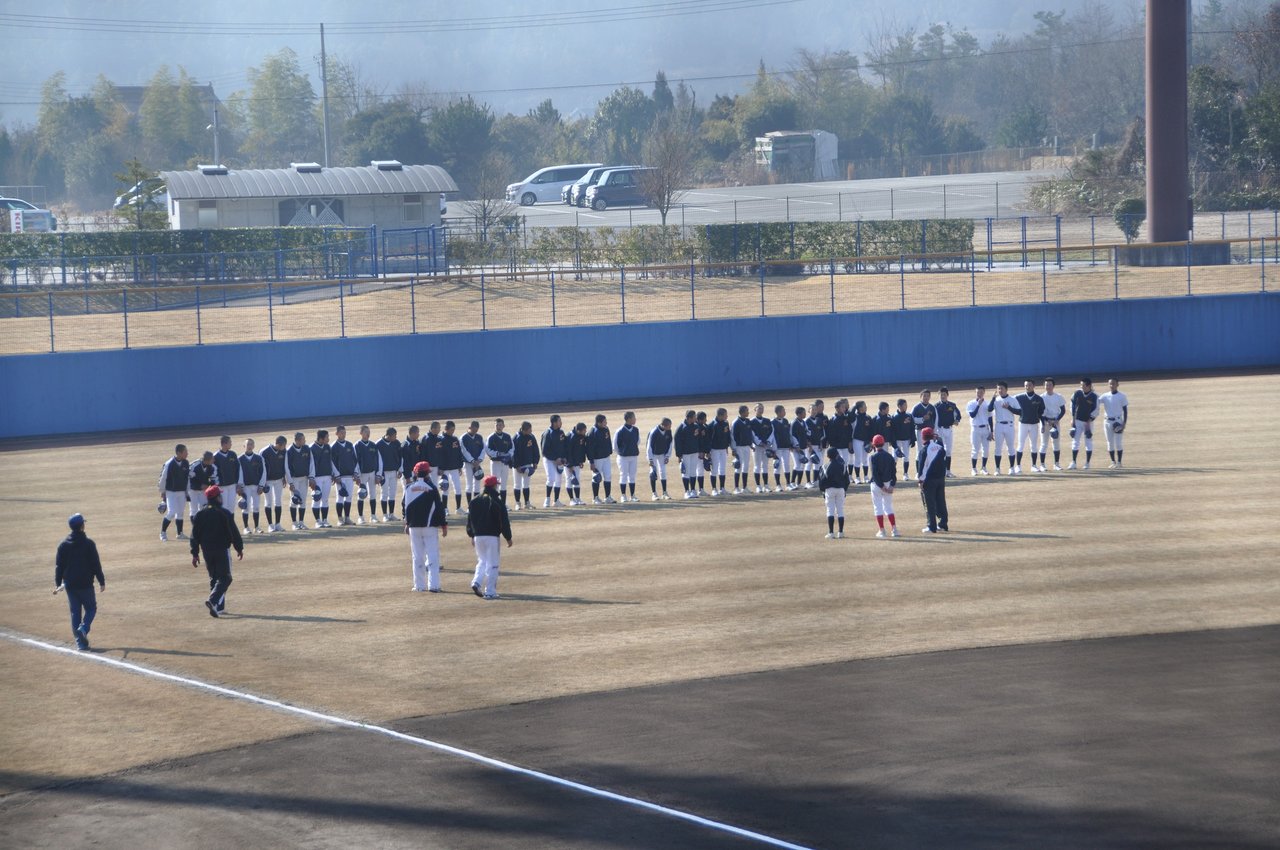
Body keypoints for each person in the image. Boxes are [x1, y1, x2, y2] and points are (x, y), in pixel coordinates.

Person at [190, 485, 243, 618]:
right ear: (217, 498)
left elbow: (194, 536)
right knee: (226, 578)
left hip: (207, 551)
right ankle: (213, 601)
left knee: (214, 578)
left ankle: (218, 608)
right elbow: (233, 532)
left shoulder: (200, 514)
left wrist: (195, 554)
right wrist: (239, 547)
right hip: (222, 550)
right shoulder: (224, 513)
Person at [55, 513, 105, 651]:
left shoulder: (63, 545)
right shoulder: (89, 544)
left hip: (70, 585)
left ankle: (81, 643)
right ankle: (83, 628)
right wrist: (101, 581)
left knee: (75, 612)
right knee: (91, 608)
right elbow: (96, 564)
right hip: (85, 584)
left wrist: (58, 583)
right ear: (82, 526)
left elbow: (59, 566)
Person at [403, 460, 448, 592]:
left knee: (417, 557)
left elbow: (405, 507)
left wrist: (407, 523)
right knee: (432, 555)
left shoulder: (409, 488)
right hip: (429, 527)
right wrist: (444, 525)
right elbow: (439, 508)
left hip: (413, 527)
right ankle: (434, 585)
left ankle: (419, 586)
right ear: (428, 473)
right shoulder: (432, 488)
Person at [467, 476, 512, 600]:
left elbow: (470, 520)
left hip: (478, 536)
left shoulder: (474, 500)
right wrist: (508, 537)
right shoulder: (496, 501)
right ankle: (490, 591)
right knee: (493, 564)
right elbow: (504, 521)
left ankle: (476, 582)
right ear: (494, 486)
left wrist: (471, 535)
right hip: (492, 537)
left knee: (482, 561)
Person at [916, 427, 949, 533]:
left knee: (929, 503)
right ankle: (943, 524)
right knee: (941, 501)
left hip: (929, 480)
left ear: (923, 437)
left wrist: (920, 481)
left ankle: (931, 526)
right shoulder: (940, 448)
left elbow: (921, 468)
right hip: (940, 479)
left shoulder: (924, 450)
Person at [868, 435, 900, 539]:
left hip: (877, 485)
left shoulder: (873, 457)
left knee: (878, 508)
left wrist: (881, 486)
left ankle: (882, 530)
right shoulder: (889, 456)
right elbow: (894, 473)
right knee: (888, 507)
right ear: (883, 443)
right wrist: (891, 485)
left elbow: (875, 474)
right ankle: (894, 529)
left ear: (874, 444)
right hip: (888, 483)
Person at [1011, 380, 1046, 474]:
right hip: (1023, 424)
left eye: (1029, 385)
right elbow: (1010, 401)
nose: (1027, 387)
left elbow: (1041, 413)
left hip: (1034, 424)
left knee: (1033, 445)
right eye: (1026, 385)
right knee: (1020, 445)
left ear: (1034, 386)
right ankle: (1018, 466)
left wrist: (1043, 424)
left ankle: (1034, 466)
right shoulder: (1019, 397)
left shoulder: (1039, 399)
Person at [158, 444, 190, 542]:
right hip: (171, 492)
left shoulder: (186, 463)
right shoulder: (169, 464)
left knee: (180, 513)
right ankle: (162, 533)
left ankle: (179, 533)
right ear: (179, 453)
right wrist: (162, 491)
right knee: (171, 512)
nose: (187, 453)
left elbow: (187, 478)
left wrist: (187, 492)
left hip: (181, 492)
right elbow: (163, 478)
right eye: (185, 452)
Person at [818, 447, 851, 539]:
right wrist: (844, 489)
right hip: (840, 489)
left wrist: (823, 490)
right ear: (837, 455)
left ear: (828, 456)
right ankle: (840, 532)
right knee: (840, 510)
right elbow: (847, 481)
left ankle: (831, 532)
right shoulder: (843, 466)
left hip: (829, 490)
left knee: (830, 510)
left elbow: (821, 481)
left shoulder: (824, 466)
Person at [237, 438, 266, 534]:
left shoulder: (259, 458)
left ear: (254, 446)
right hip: (245, 487)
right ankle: (246, 528)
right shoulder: (239, 459)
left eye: (251, 444)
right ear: (244, 446)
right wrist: (240, 486)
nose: (249, 446)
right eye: (247, 444)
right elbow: (238, 473)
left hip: (256, 487)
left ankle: (256, 527)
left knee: (256, 507)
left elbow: (263, 472)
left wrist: (261, 485)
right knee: (245, 507)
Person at [331, 425, 359, 526]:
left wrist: (355, 473)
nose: (343, 434)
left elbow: (355, 460)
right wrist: (336, 475)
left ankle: (347, 518)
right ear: (337, 434)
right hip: (340, 477)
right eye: (341, 433)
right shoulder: (334, 446)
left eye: (344, 432)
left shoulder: (350, 445)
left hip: (349, 476)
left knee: (349, 497)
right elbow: (332, 462)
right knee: (340, 497)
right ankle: (340, 519)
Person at [1069, 378, 1100, 470]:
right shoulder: (1077, 393)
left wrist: (1089, 421)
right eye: (1081, 385)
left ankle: (1087, 463)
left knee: (1088, 441)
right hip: (1077, 421)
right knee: (1075, 441)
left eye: (1083, 385)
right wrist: (1073, 419)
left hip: (1088, 422)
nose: (1081, 387)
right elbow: (1072, 406)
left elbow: (1096, 411)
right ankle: (1073, 462)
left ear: (1089, 386)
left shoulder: (1094, 396)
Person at [1099, 378, 1130, 468]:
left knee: (1118, 442)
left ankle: (1119, 462)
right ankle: (1113, 462)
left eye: (1113, 384)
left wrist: (1124, 423)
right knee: (1109, 442)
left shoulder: (1122, 396)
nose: (1111, 386)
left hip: (1118, 421)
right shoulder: (1105, 396)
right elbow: (1096, 402)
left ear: (1117, 385)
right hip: (1107, 421)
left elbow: (1125, 410)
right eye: (1110, 384)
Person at [284, 432, 313, 529]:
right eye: (303, 439)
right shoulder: (289, 451)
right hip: (294, 479)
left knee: (303, 501)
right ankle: (294, 523)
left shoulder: (307, 448)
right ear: (297, 440)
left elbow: (311, 463)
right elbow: (287, 468)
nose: (305, 441)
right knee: (294, 500)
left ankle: (301, 522)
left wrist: (311, 477)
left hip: (304, 478)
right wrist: (290, 482)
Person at [436, 421, 465, 515]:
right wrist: (440, 467)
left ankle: (458, 508)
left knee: (458, 487)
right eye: (451, 430)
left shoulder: (455, 439)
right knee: (445, 488)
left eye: (454, 429)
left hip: (455, 467)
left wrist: (460, 466)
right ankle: (445, 508)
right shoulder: (440, 440)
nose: (453, 431)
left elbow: (459, 453)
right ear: (446, 429)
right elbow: (439, 455)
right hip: (445, 469)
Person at [353, 425, 381, 524]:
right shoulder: (357, 445)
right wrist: (357, 475)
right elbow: (355, 461)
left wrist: (378, 474)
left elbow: (378, 460)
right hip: (362, 474)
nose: (368, 434)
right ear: (361, 433)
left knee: (373, 494)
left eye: (369, 432)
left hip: (372, 473)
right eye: (365, 432)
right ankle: (361, 517)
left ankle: (373, 516)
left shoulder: (373, 445)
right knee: (361, 495)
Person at [540, 415, 570, 507]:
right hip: (549, 460)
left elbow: (564, 446)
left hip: (559, 460)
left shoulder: (561, 432)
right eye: (559, 421)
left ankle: (556, 500)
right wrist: (555, 458)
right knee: (551, 478)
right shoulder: (547, 433)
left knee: (558, 480)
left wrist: (564, 457)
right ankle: (547, 499)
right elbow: (544, 451)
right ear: (554, 423)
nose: (561, 422)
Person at [309, 429, 336, 527]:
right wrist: (311, 478)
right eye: (327, 437)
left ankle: (324, 520)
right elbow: (310, 465)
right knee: (316, 499)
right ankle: (317, 521)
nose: (328, 439)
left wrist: (334, 474)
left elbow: (330, 461)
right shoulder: (312, 448)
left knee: (325, 500)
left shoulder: (328, 447)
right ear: (321, 438)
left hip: (327, 477)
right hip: (317, 478)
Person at [511, 421, 541, 511]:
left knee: (526, 484)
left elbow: (535, 450)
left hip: (528, 464)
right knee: (517, 484)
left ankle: (527, 503)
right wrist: (516, 466)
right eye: (530, 429)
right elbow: (513, 453)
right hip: (518, 466)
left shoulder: (531, 437)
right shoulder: (516, 438)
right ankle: (517, 503)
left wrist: (535, 462)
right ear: (525, 429)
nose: (531, 430)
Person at [1039, 379, 1068, 471]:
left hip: (1055, 422)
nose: (1048, 387)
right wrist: (1046, 420)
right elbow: (1039, 412)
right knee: (1044, 444)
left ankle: (1056, 464)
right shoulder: (1041, 397)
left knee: (1056, 443)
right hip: (1045, 422)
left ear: (1053, 386)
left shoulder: (1058, 396)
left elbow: (1063, 410)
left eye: (1050, 385)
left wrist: (1056, 420)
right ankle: (1042, 465)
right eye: (1046, 385)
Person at [261, 436, 289, 532]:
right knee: (268, 502)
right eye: (284, 445)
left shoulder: (284, 451)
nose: (285, 447)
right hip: (268, 481)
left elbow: (284, 466)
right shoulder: (264, 452)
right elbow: (262, 469)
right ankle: (270, 525)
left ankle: (277, 524)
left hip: (279, 480)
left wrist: (284, 477)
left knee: (278, 501)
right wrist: (262, 483)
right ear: (279, 444)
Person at [374, 427, 402, 521]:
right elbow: (376, 460)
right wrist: (378, 474)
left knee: (392, 493)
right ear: (389, 436)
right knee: (384, 493)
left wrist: (400, 469)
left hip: (394, 472)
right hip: (384, 473)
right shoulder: (379, 444)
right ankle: (385, 515)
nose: (396, 437)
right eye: (394, 435)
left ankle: (391, 514)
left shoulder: (396, 443)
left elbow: (400, 456)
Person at [990, 382, 1018, 475]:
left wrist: (1009, 407)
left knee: (1010, 447)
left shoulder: (1012, 399)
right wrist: (993, 398)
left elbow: (1019, 411)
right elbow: (989, 409)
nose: (1000, 390)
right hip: (999, 425)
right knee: (998, 448)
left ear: (1006, 389)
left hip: (1009, 425)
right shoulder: (996, 400)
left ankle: (1011, 468)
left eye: (1001, 388)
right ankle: (997, 469)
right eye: (998, 388)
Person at [586, 414, 615, 504]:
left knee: (608, 476)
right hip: (597, 459)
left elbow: (608, 441)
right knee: (596, 477)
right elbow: (589, 449)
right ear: (599, 423)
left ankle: (608, 497)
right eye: (604, 421)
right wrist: (591, 462)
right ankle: (595, 498)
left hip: (606, 457)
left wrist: (609, 451)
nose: (606, 423)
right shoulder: (592, 432)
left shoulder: (606, 429)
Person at [485, 419, 514, 504]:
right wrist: (498, 454)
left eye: (500, 425)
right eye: (497, 425)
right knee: (495, 483)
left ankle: (503, 504)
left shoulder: (507, 436)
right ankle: (495, 503)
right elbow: (488, 450)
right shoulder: (491, 437)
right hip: (495, 463)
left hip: (505, 463)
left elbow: (512, 448)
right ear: (494, 426)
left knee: (504, 484)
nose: (498, 427)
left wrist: (508, 455)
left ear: (503, 426)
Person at [934, 388, 962, 478]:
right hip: (940, 430)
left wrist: (957, 420)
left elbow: (958, 415)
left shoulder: (952, 405)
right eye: (941, 394)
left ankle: (948, 471)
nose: (943, 396)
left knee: (948, 451)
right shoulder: (936, 406)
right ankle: (940, 471)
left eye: (944, 394)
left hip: (949, 429)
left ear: (947, 395)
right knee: (940, 450)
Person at [675, 409, 702, 499]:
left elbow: (698, 439)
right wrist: (679, 455)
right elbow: (677, 442)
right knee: (686, 472)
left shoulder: (696, 426)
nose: (695, 418)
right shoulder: (681, 427)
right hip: (685, 453)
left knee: (693, 471)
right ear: (689, 418)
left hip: (694, 452)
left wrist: (699, 450)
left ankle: (693, 490)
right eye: (694, 417)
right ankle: (687, 491)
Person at [615, 411, 641, 502]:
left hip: (633, 456)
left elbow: (638, 441)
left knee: (632, 476)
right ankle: (623, 495)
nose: (635, 419)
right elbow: (615, 445)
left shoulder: (636, 430)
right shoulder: (620, 431)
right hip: (623, 457)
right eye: (634, 417)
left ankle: (632, 495)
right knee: (623, 475)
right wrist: (622, 452)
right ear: (629, 419)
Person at [750, 402, 776, 493]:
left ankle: (766, 485)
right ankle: (758, 486)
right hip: (757, 447)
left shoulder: (767, 421)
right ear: (755, 410)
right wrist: (759, 442)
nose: (761, 410)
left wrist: (768, 442)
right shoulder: (752, 422)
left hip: (766, 446)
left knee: (765, 466)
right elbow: (752, 434)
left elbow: (772, 432)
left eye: (762, 408)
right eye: (759, 408)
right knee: (757, 466)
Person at [212, 436, 240, 519]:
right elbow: (213, 472)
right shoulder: (216, 456)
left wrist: (238, 483)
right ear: (224, 444)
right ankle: (224, 525)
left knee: (231, 507)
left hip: (232, 485)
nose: (231, 444)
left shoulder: (233, 454)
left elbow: (237, 469)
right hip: (222, 486)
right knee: (224, 507)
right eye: (230, 442)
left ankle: (231, 525)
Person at [967, 386, 993, 475]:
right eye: (978, 392)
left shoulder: (987, 404)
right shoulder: (971, 403)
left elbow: (990, 418)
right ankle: (974, 468)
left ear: (984, 393)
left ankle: (983, 468)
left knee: (986, 449)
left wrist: (991, 431)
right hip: (975, 428)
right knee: (975, 449)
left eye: (981, 392)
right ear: (975, 393)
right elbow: (972, 415)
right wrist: (978, 405)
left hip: (985, 428)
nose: (979, 394)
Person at [460, 421, 486, 509]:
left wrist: (479, 460)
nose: (475, 431)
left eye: (476, 429)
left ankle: (476, 506)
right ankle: (469, 506)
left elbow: (483, 449)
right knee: (469, 484)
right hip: (468, 464)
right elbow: (464, 451)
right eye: (473, 429)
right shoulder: (463, 438)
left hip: (477, 463)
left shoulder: (479, 437)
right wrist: (472, 461)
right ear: (469, 427)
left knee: (477, 484)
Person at [187, 451, 218, 525]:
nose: (214, 460)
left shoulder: (213, 467)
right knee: (193, 509)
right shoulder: (194, 466)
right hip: (192, 490)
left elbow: (213, 480)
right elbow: (188, 479)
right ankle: (195, 528)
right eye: (212, 459)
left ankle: (203, 527)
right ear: (207, 460)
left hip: (203, 490)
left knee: (204, 508)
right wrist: (199, 486)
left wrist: (209, 487)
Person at [647, 417, 674, 500]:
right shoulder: (654, 432)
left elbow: (670, 443)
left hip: (662, 454)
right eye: (669, 426)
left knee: (663, 472)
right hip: (653, 455)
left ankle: (664, 493)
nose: (670, 427)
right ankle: (654, 493)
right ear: (663, 425)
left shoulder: (668, 431)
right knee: (653, 473)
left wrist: (667, 456)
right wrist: (650, 459)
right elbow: (649, 447)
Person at [771, 404, 796, 491]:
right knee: (777, 466)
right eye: (783, 410)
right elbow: (772, 436)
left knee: (786, 465)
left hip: (786, 447)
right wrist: (773, 448)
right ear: (778, 412)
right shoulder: (772, 422)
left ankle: (788, 484)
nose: (785, 412)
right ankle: (778, 485)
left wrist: (791, 444)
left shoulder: (785, 421)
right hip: (777, 448)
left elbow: (789, 434)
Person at [730, 405, 754, 494]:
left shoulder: (748, 421)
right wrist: (733, 449)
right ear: (742, 412)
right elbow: (732, 437)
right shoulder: (736, 422)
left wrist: (751, 444)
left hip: (746, 446)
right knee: (738, 466)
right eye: (747, 411)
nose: (748, 412)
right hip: (738, 447)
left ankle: (744, 487)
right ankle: (736, 488)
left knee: (746, 466)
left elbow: (750, 434)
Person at [708, 408, 732, 496]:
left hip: (723, 449)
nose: (727, 416)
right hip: (714, 450)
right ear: (720, 415)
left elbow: (728, 435)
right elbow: (708, 439)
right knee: (714, 469)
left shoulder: (726, 423)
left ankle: (722, 488)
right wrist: (708, 451)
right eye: (725, 415)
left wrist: (727, 446)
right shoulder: (712, 425)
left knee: (722, 469)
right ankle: (714, 489)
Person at [565, 422, 590, 505]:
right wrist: (570, 465)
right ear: (579, 431)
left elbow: (581, 449)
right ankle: (571, 500)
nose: (585, 432)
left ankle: (578, 499)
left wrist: (581, 461)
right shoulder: (570, 436)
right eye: (584, 430)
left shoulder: (581, 436)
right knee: (569, 480)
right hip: (569, 463)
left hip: (577, 462)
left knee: (577, 480)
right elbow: (568, 452)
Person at [890, 399, 916, 478]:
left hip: (906, 440)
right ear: (899, 406)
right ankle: (892, 474)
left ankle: (905, 474)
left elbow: (912, 428)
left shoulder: (909, 415)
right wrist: (893, 442)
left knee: (906, 457)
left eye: (906, 404)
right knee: (895, 457)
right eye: (904, 405)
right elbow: (892, 430)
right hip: (897, 440)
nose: (906, 406)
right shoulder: (894, 417)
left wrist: (913, 439)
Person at [850, 401, 874, 485]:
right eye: (864, 406)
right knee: (858, 459)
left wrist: (871, 441)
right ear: (860, 408)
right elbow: (850, 414)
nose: (866, 407)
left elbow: (871, 430)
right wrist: (854, 405)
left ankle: (866, 477)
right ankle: (857, 477)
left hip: (866, 441)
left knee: (865, 459)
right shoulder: (855, 417)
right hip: (857, 440)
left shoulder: (868, 417)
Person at [790, 406, 812, 489]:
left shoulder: (803, 422)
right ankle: (792, 483)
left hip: (803, 446)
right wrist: (796, 445)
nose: (805, 414)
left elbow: (807, 432)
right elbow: (792, 435)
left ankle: (798, 483)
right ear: (799, 414)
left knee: (802, 465)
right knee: (797, 465)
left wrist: (807, 441)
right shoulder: (794, 423)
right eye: (804, 412)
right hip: (796, 448)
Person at [694, 412, 711, 496]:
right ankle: (692, 490)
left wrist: (707, 452)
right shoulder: (695, 428)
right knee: (694, 471)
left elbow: (706, 441)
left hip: (701, 453)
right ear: (700, 420)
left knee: (700, 471)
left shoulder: (704, 427)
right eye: (705, 419)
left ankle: (701, 490)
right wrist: (699, 451)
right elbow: (696, 441)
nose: (706, 420)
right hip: (695, 453)